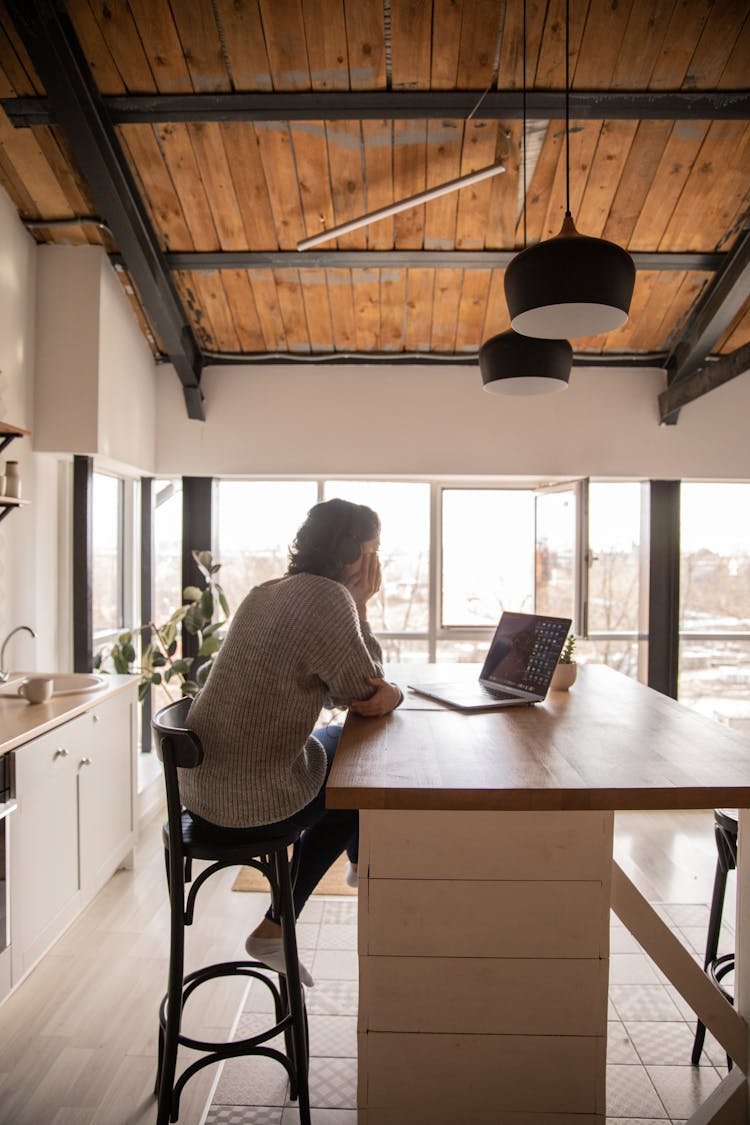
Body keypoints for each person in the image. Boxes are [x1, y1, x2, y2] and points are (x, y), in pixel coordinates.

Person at [184, 498, 402, 985]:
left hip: (200, 792)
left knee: (342, 744)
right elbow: (365, 693)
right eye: (373, 550)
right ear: (351, 551)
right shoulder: (329, 598)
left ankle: (356, 859)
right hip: (250, 803)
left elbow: (348, 692)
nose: (376, 564)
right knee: (360, 770)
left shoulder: (268, 590)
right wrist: (363, 608)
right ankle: (286, 920)